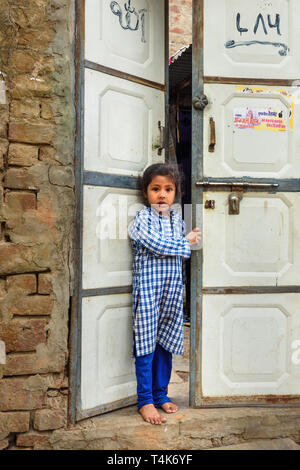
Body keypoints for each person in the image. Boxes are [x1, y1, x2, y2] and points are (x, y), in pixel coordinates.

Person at [128, 163, 201, 425]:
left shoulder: (179, 219)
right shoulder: (142, 218)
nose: (162, 195)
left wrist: (188, 242)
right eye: (155, 189)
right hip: (148, 293)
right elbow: (156, 245)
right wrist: (185, 242)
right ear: (146, 192)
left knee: (165, 345)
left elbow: (192, 247)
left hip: (172, 293)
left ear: (175, 192)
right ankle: (145, 400)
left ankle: (161, 394)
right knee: (145, 344)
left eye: (168, 189)